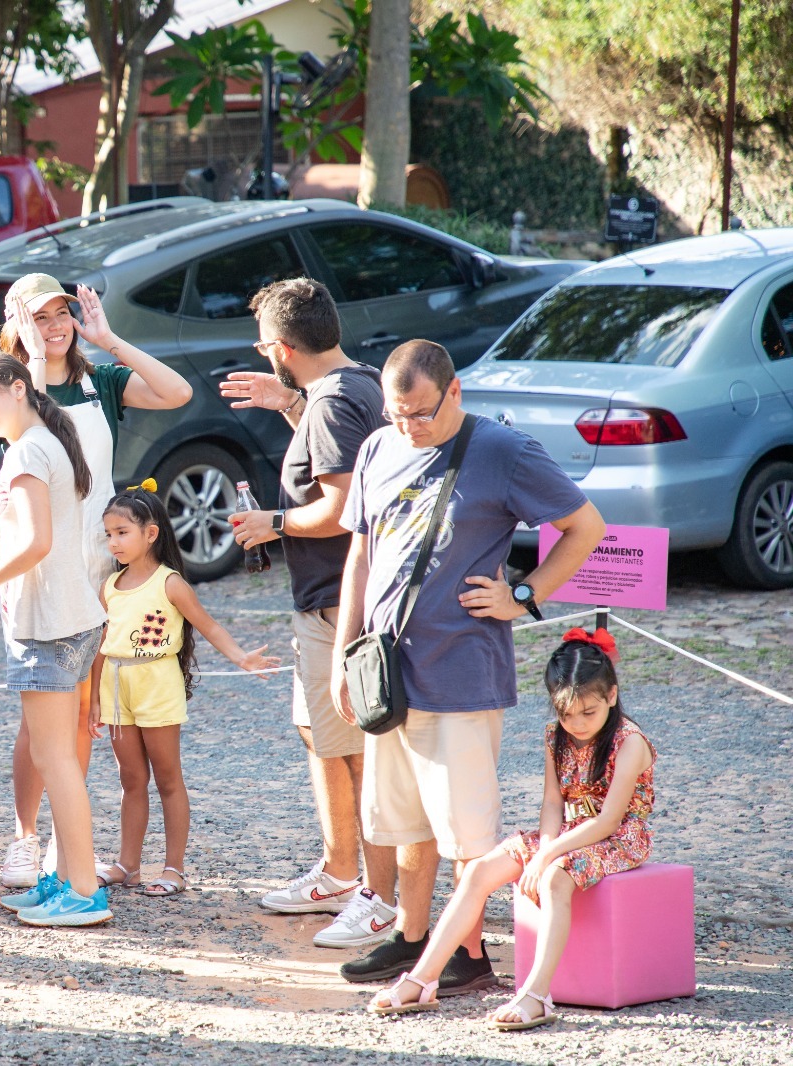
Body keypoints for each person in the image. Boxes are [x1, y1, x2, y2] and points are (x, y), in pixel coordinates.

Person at [332, 339, 606, 992]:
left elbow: (585, 527)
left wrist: (522, 595)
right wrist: (346, 655)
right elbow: (360, 560)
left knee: (465, 831)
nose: (410, 428)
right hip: (387, 672)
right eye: (398, 414)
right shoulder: (377, 448)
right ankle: (412, 935)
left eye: (422, 413)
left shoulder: (502, 451)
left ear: (455, 392)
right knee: (406, 823)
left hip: (461, 671)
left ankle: (471, 954)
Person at [0, 272, 192, 889]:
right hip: (36, 564)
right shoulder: (9, 389)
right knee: (39, 716)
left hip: (98, 565)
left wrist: (109, 339)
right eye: (40, 317)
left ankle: (65, 841)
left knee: (83, 713)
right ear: (17, 324)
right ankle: (25, 836)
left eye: (61, 315)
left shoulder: (100, 381)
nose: (54, 327)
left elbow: (177, 391)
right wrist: (27, 362)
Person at [221, 278, 398, 949]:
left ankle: (371, 893)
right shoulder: (357, 383)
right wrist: (292, 404)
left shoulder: (330, 404)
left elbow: (340, 505)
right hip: (335, 600)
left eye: (265, 344)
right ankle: (340, 869)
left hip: (338, 604)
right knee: (320, 733)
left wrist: (273, 522)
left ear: (284, 347)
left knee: (352, 745)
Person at [369, 628, 654, 1030]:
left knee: (555, 877)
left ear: (611, 695)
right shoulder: (556, 736)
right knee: (480, 870)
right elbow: (553, 802)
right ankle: (422, 978)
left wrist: (548, 855)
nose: (577, 723)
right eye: (566, 713)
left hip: (619, 837)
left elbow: (609, 820)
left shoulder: (630, 741)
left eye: (588, 712)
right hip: (571, 829)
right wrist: (545, 846)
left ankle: (536, 994)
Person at [0, 352, 110, 927]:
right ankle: (65, 880)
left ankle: (84, 892)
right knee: (55, 757)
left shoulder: (27, 451)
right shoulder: (44, 443)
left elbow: (36, 544)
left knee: (55, 760)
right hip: (68, 615)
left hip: (50, 626)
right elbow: (40, 543)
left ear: (19, 388)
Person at [89, 483, 278, 897]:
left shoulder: (169, 583)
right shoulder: (110, 586)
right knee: (131, 779)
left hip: (157, 687)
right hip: (117, 688)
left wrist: (242, 657)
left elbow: (207, 625)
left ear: (151, 534)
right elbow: (103, 644)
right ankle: (128, 864)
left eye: (122, 532)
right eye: (109, 534)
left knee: (168, 779)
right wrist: (94, 700)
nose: (113, 542)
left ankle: (174, 868)